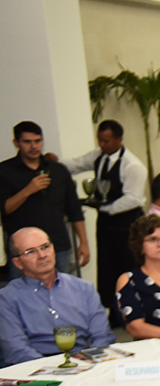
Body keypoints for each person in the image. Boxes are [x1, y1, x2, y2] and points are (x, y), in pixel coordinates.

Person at [60, 120, 146, 324]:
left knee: (127, 266)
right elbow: (77, 164)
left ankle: (134, 311)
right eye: (100, 140)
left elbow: (133, 198)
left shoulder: (133, 165)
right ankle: (114, 313)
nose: (103, 145)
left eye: (107, 141)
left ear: (119, 139)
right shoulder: (99, 156)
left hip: (127, 222)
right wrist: (54, 162)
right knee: (107, 267)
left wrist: (104, 207)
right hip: (106, 224)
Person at [0, 227, 114, 365]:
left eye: (45, 247)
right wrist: (52, 370)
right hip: (35, 370)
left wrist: (89, 363)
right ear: (18, 263)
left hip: (85, 362)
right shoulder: (7, 298)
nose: (42, 255)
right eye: (31, 252)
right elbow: (16, 351)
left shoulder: (84, 288)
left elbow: (102, 336)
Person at [0, 121, 88, 275]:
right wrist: (28, 190)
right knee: (23, 296)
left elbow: (74, 210)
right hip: (22, 251)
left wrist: (84, 243)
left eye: (37, 141)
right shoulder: (4, 171)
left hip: (57, 245)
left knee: (61, 293)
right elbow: (4, 209)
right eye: (27, 142)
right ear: (16, 143)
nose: (34, 146)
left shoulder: (58, 171)